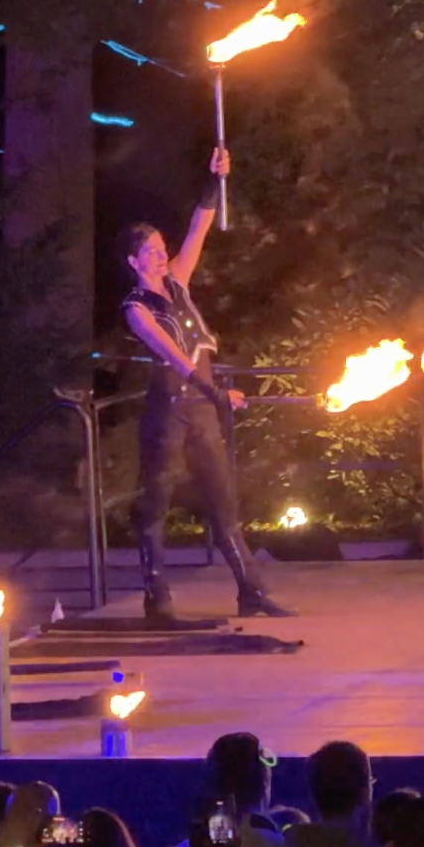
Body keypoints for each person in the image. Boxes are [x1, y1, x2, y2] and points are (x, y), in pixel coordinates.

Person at [119, 146, 292, 620]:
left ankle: (251, 592)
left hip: (201, 411)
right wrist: (218, 393)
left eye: (162, 248)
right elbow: (173, 356)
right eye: (151, 252)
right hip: (168, 412)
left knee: (222, 499)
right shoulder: (136, 308)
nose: (161, 256)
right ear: (134, 261)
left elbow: (199, 227)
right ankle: (157, 600)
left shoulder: (179, 280)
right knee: (156, 504)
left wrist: (215, 180)